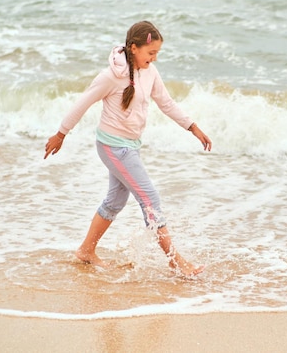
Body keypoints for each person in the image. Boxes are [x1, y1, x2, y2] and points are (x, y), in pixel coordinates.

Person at [44, 21, 211, 277]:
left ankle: (86, 251)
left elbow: (166, 103)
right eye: (150, 53)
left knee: (116, 200)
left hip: (130, 146)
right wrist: (60, 134)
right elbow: (83, 102)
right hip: (113, 146)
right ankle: (176, 263)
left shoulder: (150, 72)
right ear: (134, 48)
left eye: (157, 54)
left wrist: (193, 127)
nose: (154, 58)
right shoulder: (111, 76)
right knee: (151, 200)